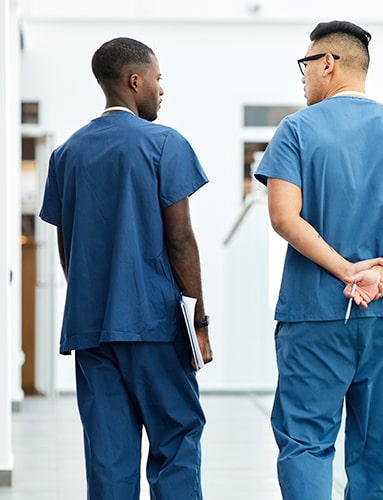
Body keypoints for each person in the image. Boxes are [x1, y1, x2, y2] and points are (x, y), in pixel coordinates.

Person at [254, 20, 383, 500]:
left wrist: (346, 270)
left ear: (328, 64)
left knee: (306, 441)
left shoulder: (296, 129)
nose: (302, 77)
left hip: (317, 312)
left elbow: (283, 217)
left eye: (306, 65)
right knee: (378, 449)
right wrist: (381, 271)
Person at [39, 37, 213, 499]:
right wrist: (198, 323)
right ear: (136, 81)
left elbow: (67, 248)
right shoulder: (164, 144)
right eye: (158, 79)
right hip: (155, 325)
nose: (161, 89)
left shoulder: (66, 155)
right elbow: (180, 240)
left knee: (109, 457)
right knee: (175, 440)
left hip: (91, 330)